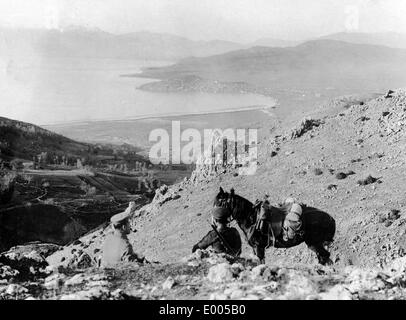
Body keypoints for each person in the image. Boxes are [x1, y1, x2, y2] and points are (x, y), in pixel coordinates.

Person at [101, 202, 145, 268]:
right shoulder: (126, 246)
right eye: (129, 223)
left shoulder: (108, 239)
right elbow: (132, 267)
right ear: (124, 227)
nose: (130, 225)